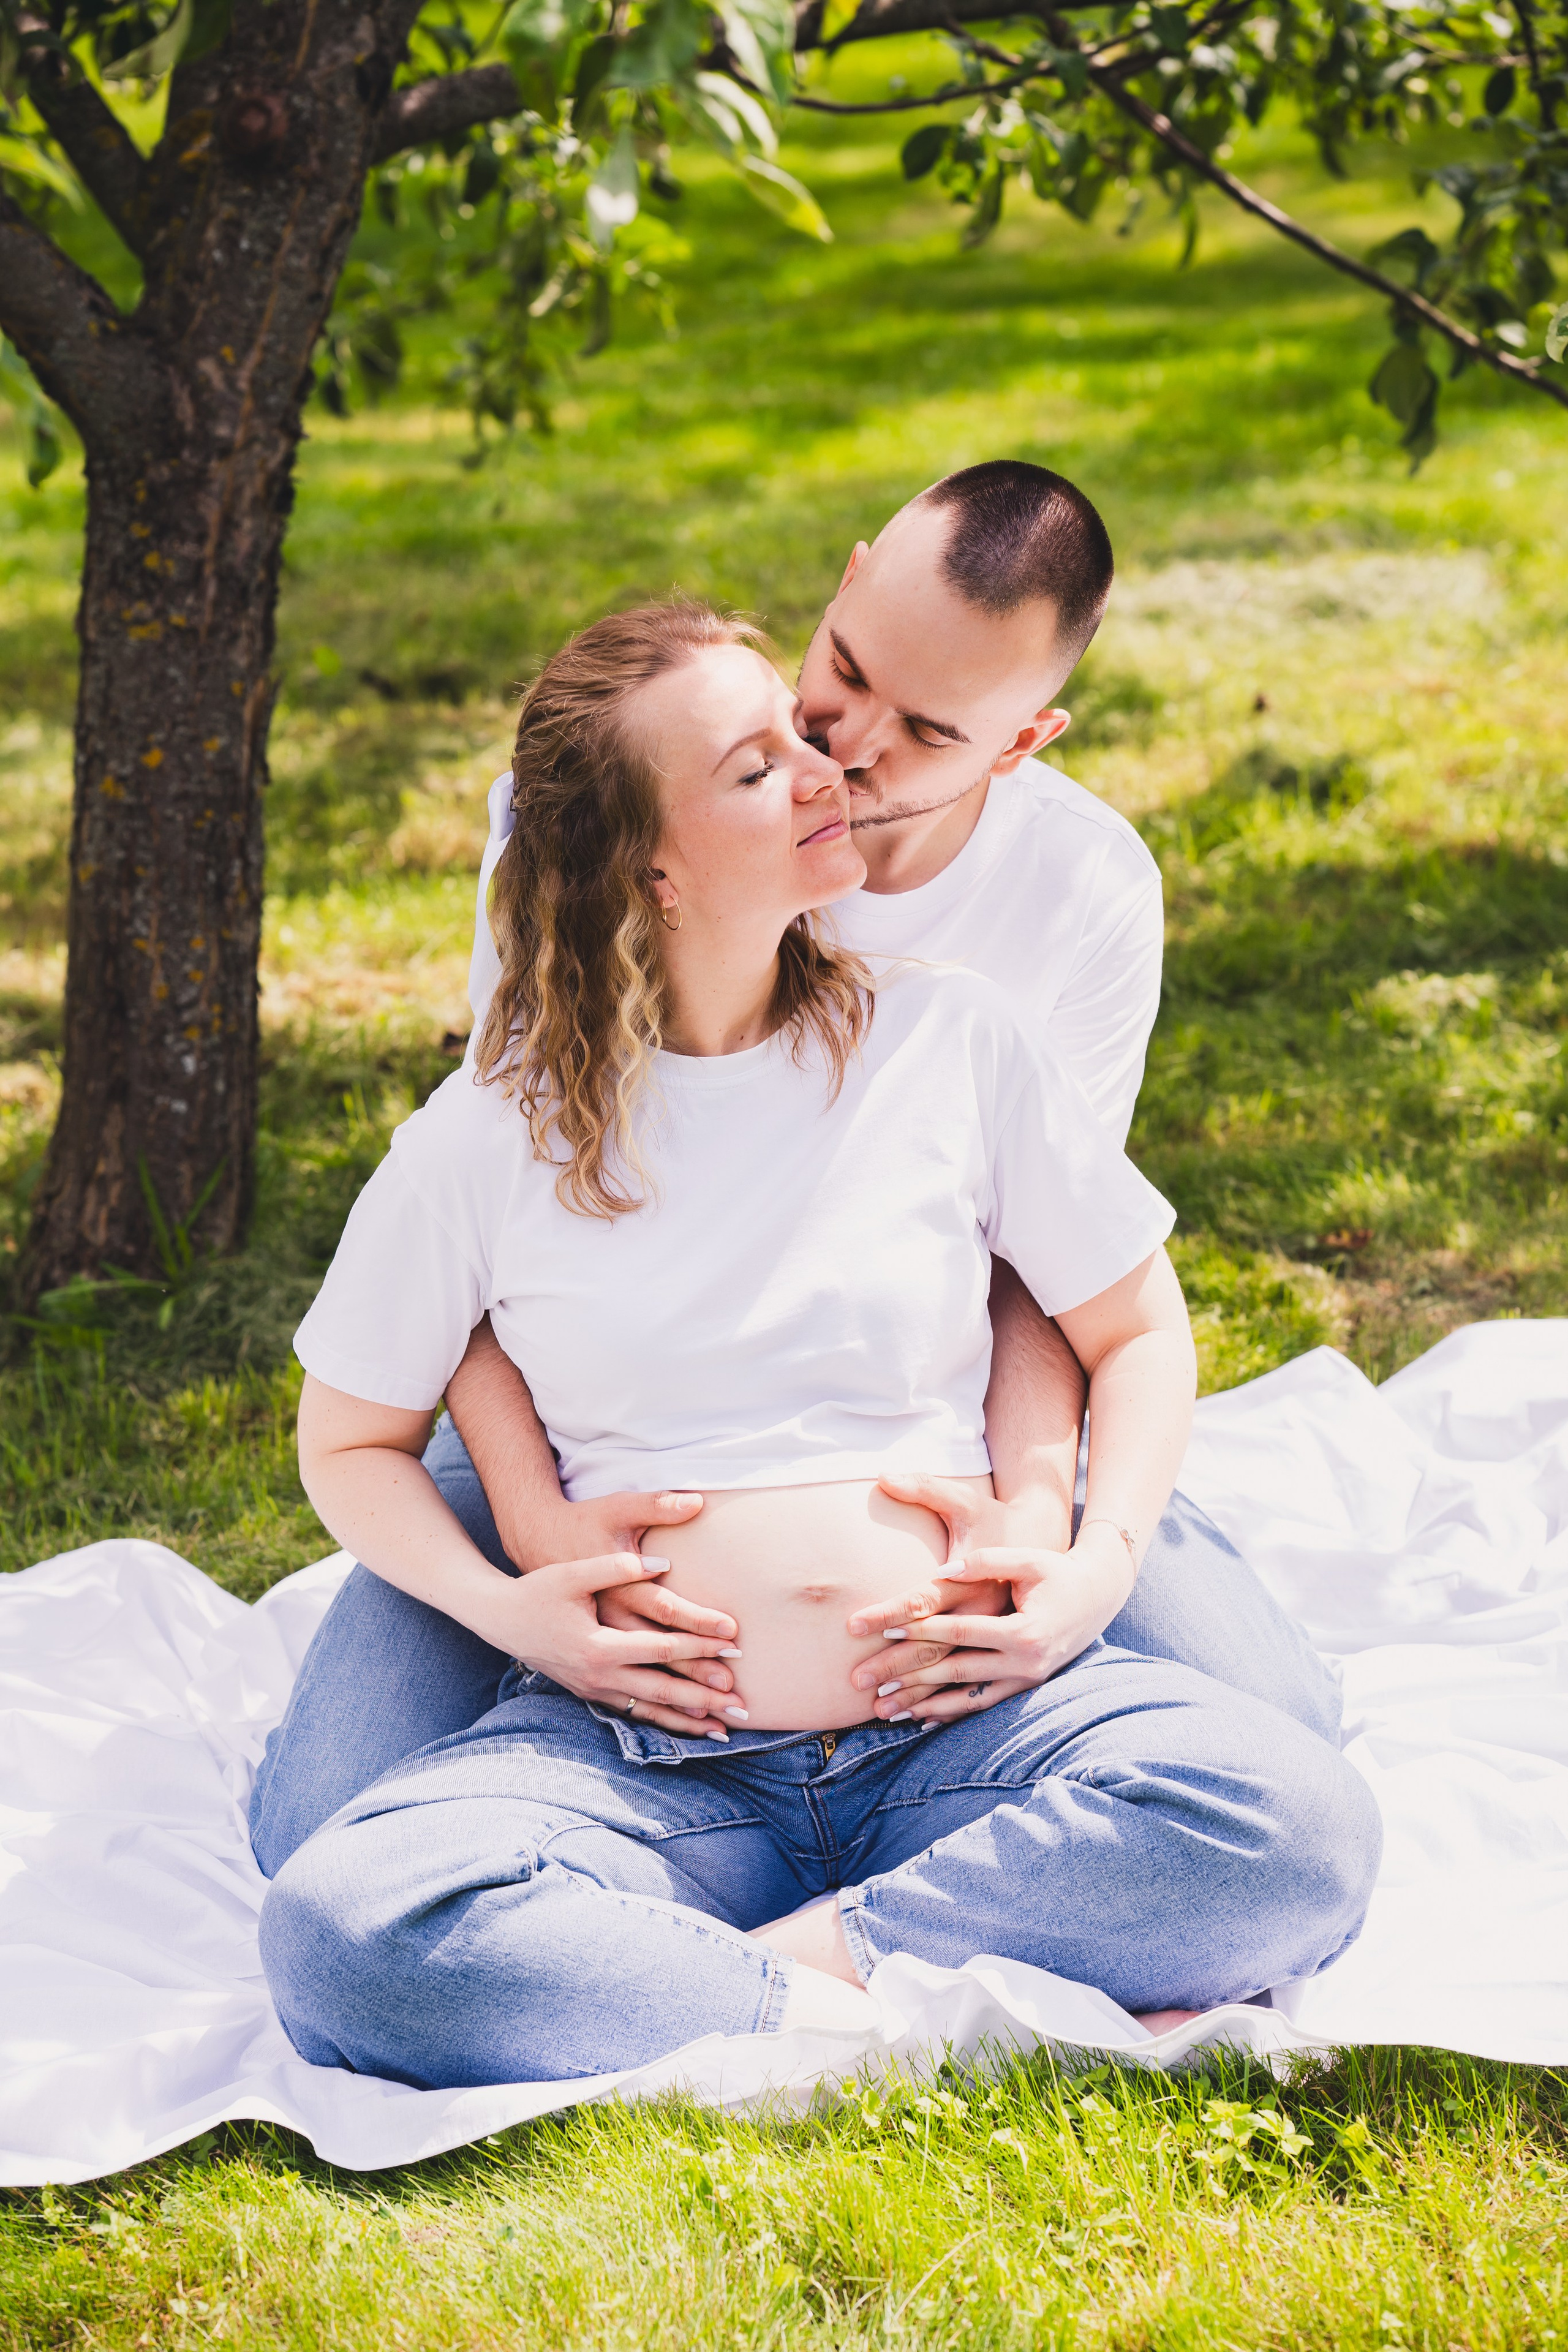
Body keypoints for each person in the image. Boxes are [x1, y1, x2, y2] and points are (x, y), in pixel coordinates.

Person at [256, 601, 1381, 2090]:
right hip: (650, 1765)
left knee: (1296, 1826)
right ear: (645, 869)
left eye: (794, 732)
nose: (820, 769)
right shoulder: (487, 1132)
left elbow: (1132, 1327)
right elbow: (346, 1440)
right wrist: (513, 1609)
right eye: (749, 769)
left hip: (964, 1727)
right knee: (343, 1927)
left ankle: (791, 1981)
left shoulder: (949, 1042)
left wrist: (1088, 1568)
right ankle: (893, 1985)